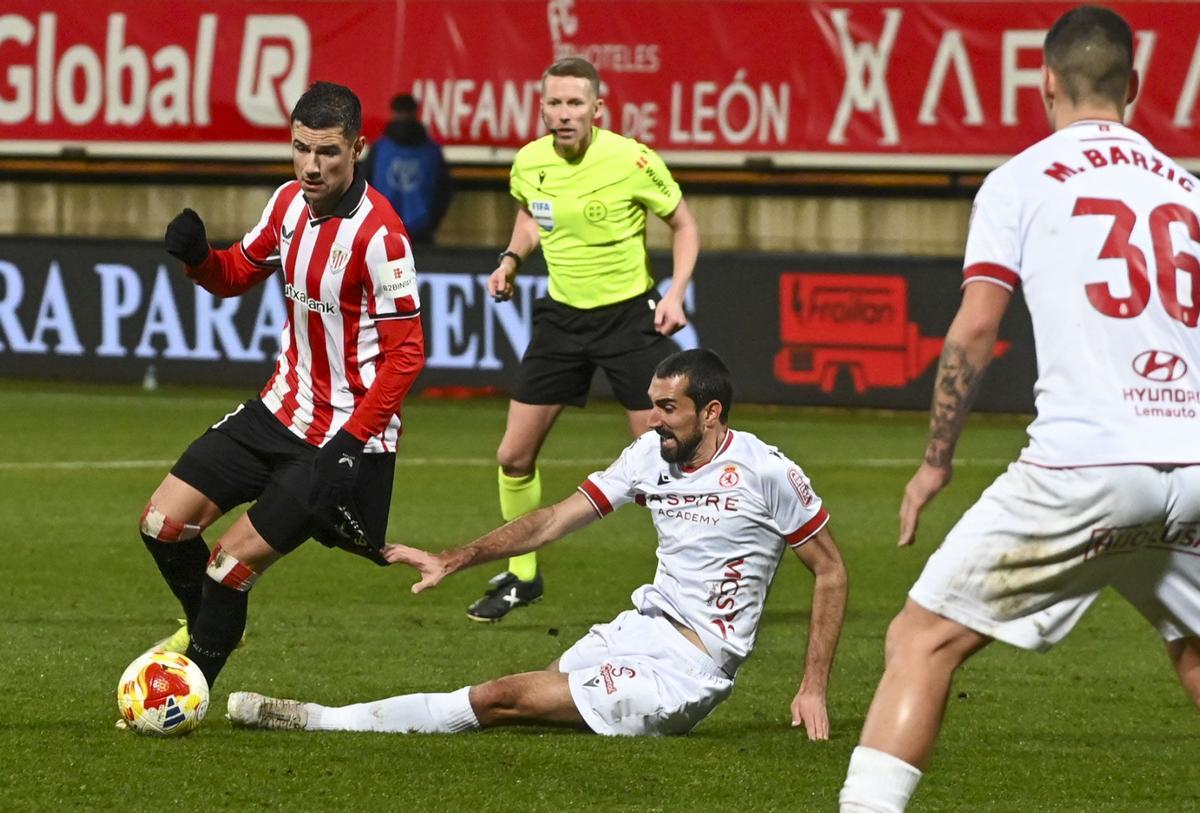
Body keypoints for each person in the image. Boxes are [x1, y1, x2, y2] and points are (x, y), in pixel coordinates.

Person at [839, 8, 1200, 811]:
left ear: (1044, 84)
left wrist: (936, 460)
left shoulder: (1022, 180)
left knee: (920, 639)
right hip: (1194, 468)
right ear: (1134, 87)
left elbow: (976, 324)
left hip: (1086, 468)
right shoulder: (1190, 189)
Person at [227, 349, 847, 739]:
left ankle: (319, 719)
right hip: (641, 629)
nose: (653, 419)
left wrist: (812, 686)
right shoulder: (648, 457)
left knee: (504, 699)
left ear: (711, 413)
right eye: (650, 406)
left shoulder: (768, 473)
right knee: (540, 697)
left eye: (667, 409)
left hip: (690, 668)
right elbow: (552, 520)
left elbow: (830, 572)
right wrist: (458, 557)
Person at [138, 81, 425, 694]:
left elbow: (407, 356)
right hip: (279, 410)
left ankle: (185, 694)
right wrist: (197, 258)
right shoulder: (288, 203)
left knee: (227, 569)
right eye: (301, 149)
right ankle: (215, 628)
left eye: (328, 153)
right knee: (162, 523)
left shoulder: (383, 240)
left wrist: (351, 440)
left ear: (358, 149)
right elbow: (237, 271)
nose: (312, 166)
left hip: (344, 438)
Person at [469, 56, 701, 621]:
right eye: (555, 103)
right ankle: (523, 578)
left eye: (576, 103)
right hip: (561, 321)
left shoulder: (632, 160)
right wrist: (510, 259)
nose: (565, 113)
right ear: (541, 106)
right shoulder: (529, 162)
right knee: (513, 455)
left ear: (598, 108)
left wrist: (675, 295)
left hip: (629, 322)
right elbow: (531, 217)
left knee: (666, 461)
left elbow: (685, 224)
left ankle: (689, 586)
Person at [364, 93, 452, 244]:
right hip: (421, 237)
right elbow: (444, 193)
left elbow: (363, 189)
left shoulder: (380, 149)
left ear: (393, 113)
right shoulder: (432, 151)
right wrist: (430, 224)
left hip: (383, 233)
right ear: (416, 113)